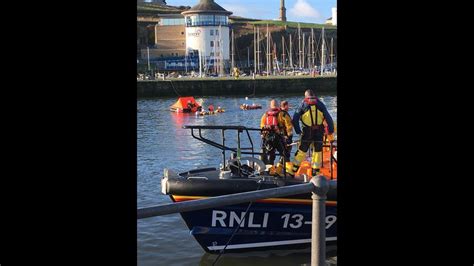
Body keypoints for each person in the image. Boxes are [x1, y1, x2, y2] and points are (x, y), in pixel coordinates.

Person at [290, 89, 334, 176]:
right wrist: (331, 130)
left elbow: (295, 119)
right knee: (317, 151)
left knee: (302, 150)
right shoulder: (321, 104)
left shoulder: (303, 105)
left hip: (307, 131)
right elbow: (329, 118)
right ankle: (315, 171)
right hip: (319, 131)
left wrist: (298, 131)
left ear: (305, 96)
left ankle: (293, 170)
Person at [260, 99, 293, 175]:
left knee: (271, 155)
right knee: (285, 154)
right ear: (278, 105)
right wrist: (289, 137)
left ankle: (270, 171)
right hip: (279, 137)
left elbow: (262, 127)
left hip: (268, 139)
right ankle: (284, 171)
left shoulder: (265, 115)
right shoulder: (282, 114)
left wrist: (264, 136)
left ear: (270, 106)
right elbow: (289, 126)